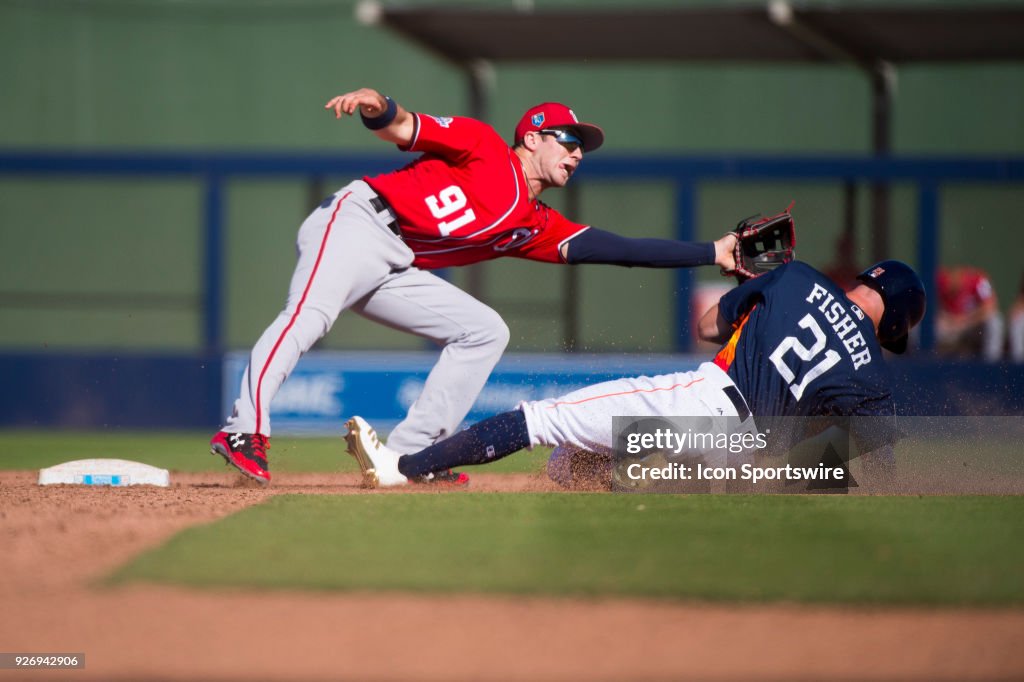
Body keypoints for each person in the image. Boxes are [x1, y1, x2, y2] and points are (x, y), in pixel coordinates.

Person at [210, 88, 740, 485]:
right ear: (532, 137)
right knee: (310, 316)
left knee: (484, 331)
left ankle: (411, 458)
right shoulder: (483, 145)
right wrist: (376, 105)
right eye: (570, 141)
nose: (578, 154)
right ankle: (244, 429)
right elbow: (402, 127)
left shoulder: (536, 223)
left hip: (394, 262)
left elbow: (619, 249)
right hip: (358, 221)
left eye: (583, 149)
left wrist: (711, 252)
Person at [345, 259, 926, 490]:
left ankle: (401, 468)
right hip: (743, 453)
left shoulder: (796, 278)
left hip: (706, 404)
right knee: (569, 468)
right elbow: (879, 464)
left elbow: (705, 326)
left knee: (540, 420)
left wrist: (757, 289)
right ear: (892, 321)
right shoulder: (871, 372)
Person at [936, 265, 1003, 362]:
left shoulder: (978, 280)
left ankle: (991, 364)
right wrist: (949, 320)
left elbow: (990, 306)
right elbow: (927, 307)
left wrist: (966, 320)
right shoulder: (939, 281)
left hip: (971, 325)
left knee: (995, 321)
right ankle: (931, 363)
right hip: (948, 326)